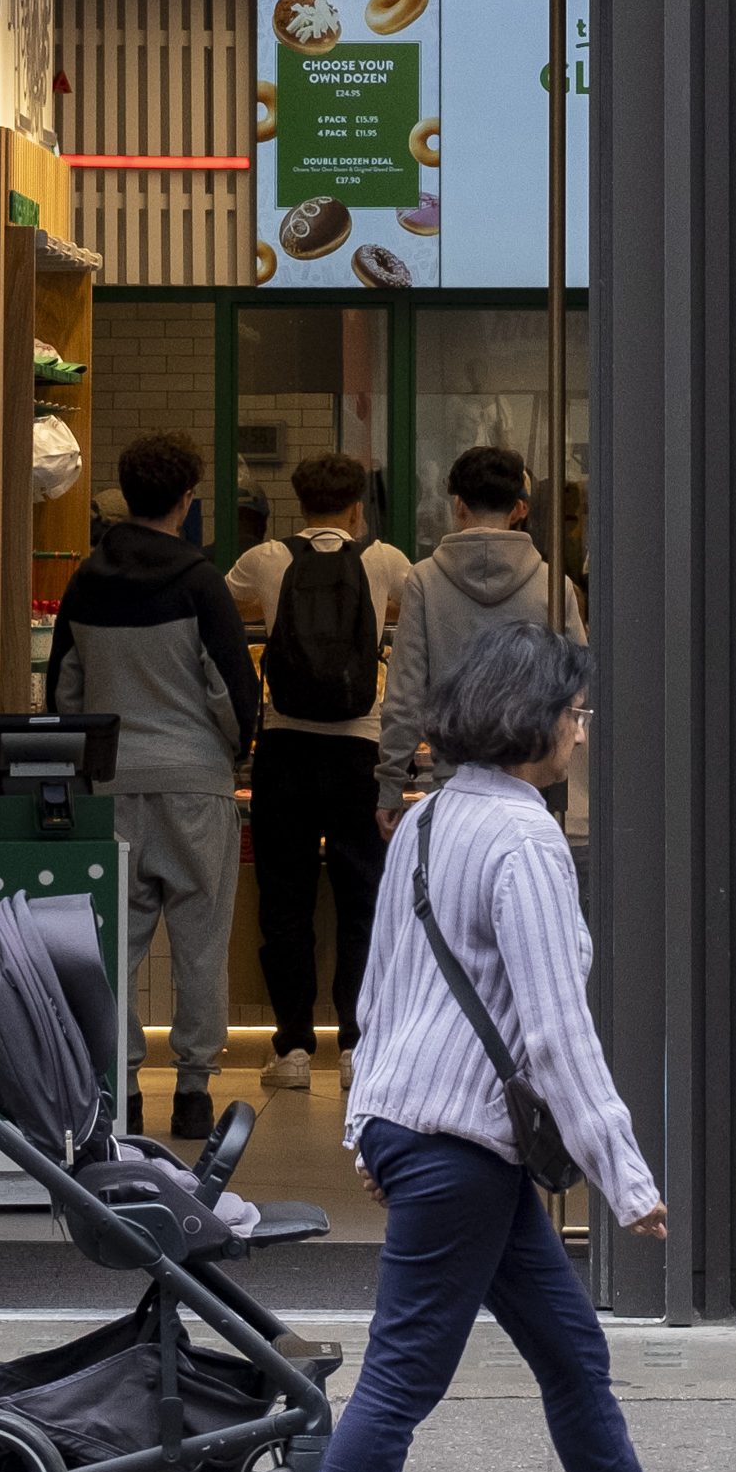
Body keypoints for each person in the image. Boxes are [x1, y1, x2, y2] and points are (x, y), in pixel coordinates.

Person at [256, 620, 736, 1472]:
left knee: (571, 1356)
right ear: (533, 721)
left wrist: (370, 1121)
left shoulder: (423, 820)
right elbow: (553, 1032)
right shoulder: (525, 840)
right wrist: (623, 1172)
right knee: (402, 1384)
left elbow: (377, 990)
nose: (581, 728)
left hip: (435, 1136)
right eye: (575, 711)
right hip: (461, 1149)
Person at [48, 428, 260, 1141]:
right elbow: (231, 688)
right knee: (200, 940)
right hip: (194, 780)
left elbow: (65, 692)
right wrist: (230, 751)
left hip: (109, 784)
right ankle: (194, 1090)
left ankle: (124, 1084)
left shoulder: (85, 578)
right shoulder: (198, 581)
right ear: (187, 498)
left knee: (116, 941)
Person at [229, 450, 413, 1095]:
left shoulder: (266, 559)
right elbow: (414, 622)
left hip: (285, 747)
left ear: (298, 504)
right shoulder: (386, 561)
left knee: (286, 899)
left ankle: (293, 1049)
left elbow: (224, 613)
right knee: (364, 900)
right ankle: (359, 1046)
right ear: (357, 506)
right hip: (360, 750)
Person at [377, 447, 550, 831]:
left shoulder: (424, 580)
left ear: (458, 505)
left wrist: (390, 785)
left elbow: (405, 693)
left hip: (452, 785)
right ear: (518, 507)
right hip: (530, 787)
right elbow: (574, 691)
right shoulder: (553, 586)